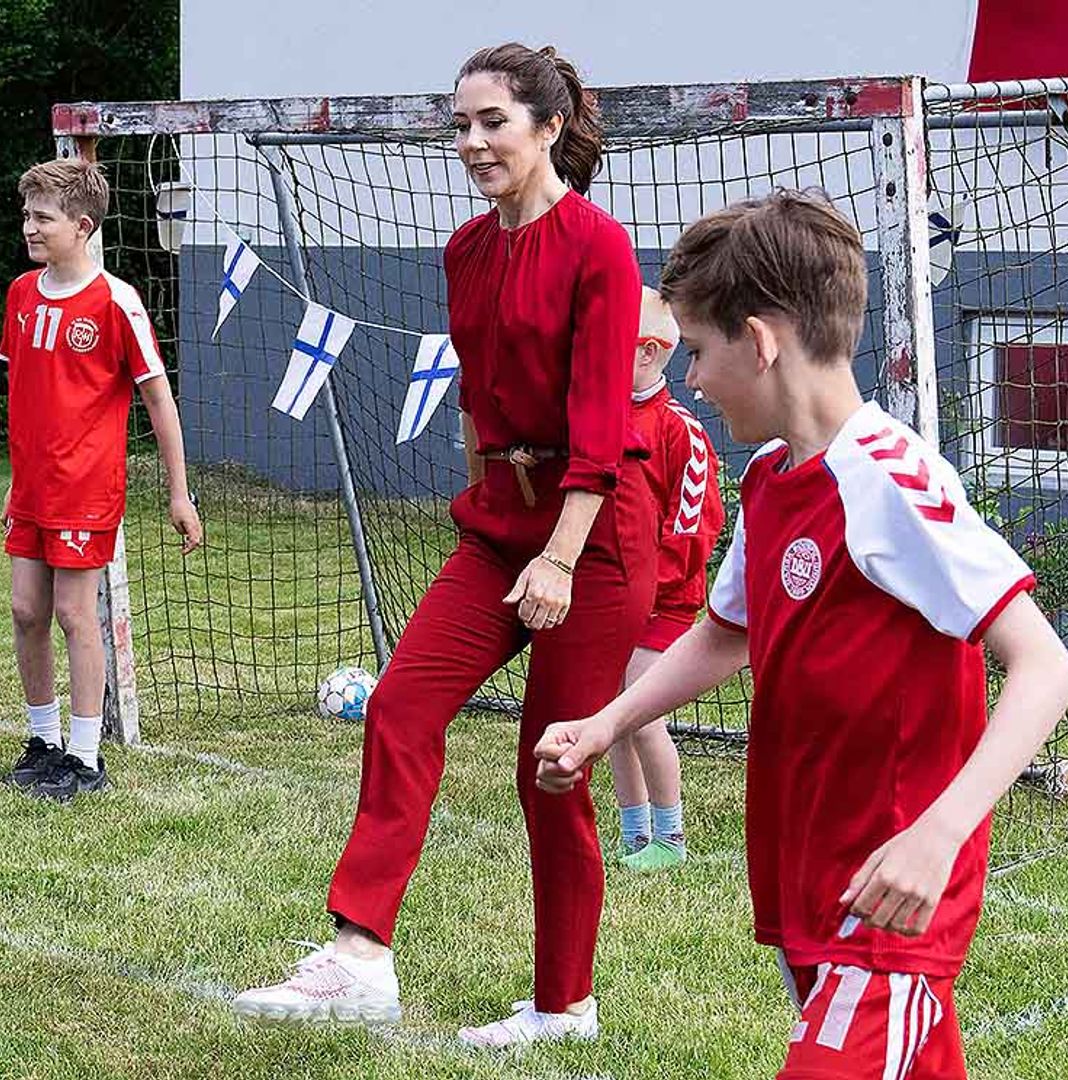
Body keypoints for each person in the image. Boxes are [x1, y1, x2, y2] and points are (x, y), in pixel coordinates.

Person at [535, 190, 1068, 1078]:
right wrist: (606, 725)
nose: (693, 381)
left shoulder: (891, 478)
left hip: (894, 893)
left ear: (760, 341)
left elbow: (1045, 666)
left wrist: (937, 836)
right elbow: (723, 633)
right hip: (810, 870)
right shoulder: (774, 478)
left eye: (701, 353)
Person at [232, 43, 657, 1047]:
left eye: (492, 123)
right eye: (460, 124)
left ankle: (565, 1007)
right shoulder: (465, 250)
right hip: (500, 526)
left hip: (591, 541)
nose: (470, 142)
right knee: (405, 705)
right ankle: (360, 957)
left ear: (548, 127)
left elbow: (603, 430)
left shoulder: (600, 247)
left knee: (551, 769)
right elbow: (478, 394)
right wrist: (492, 511)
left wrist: (557, 557)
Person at [1, 160, 203, 803]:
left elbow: (157, 397)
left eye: (43, 217)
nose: (28, 226)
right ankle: (43, 741)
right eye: (26, 213)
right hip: (32, 490)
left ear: (82, 226)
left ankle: (85, 758)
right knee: (25, 609)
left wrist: (178, 491)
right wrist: (14, 478)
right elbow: (25, 393)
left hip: (86, 489)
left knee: (71, 612)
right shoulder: (20, 296)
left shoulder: (116, 301)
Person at [608, 286, 723, 872]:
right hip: (613, 597)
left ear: (649, 353)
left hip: (666, 602)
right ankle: (634, 834)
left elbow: (696, 523)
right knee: (613, 716)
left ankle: (671, 837)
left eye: (610, 347)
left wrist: (657, 586)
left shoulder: (682, 430)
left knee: (642, 713)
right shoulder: (601, 417)